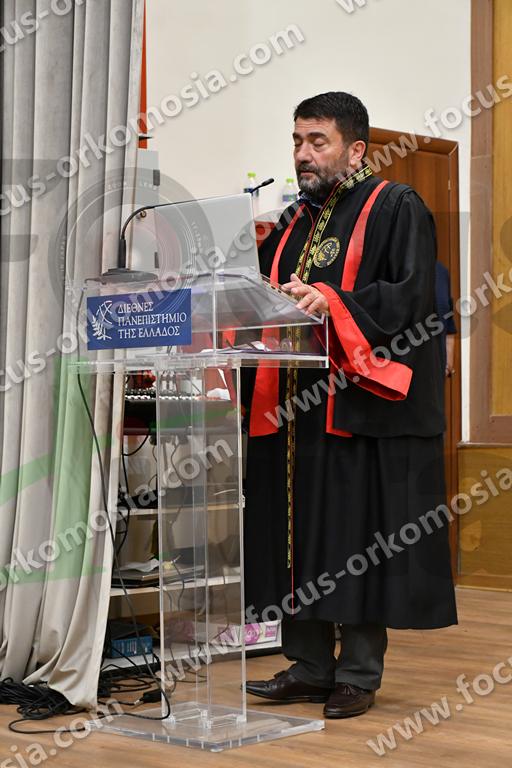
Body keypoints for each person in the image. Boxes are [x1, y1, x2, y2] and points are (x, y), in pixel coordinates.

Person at [242, 92, 457, 719]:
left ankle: (357, 674)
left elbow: (410, 299)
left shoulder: (395, 206)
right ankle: (310, 666)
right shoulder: (290, 222)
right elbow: (261, 298)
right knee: (297, 537)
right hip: (293, 411)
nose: (303, 153)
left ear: (356, 149)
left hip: (359, 409)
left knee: (356, 541)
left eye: (318, 141)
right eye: (298, 140)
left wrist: (332, 301)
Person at [435, 261, 457, 377]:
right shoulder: (394, 266)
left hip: (436, 373)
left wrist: (448, 365)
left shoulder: (441, 271)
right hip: (402, 373)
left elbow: (449, 325)